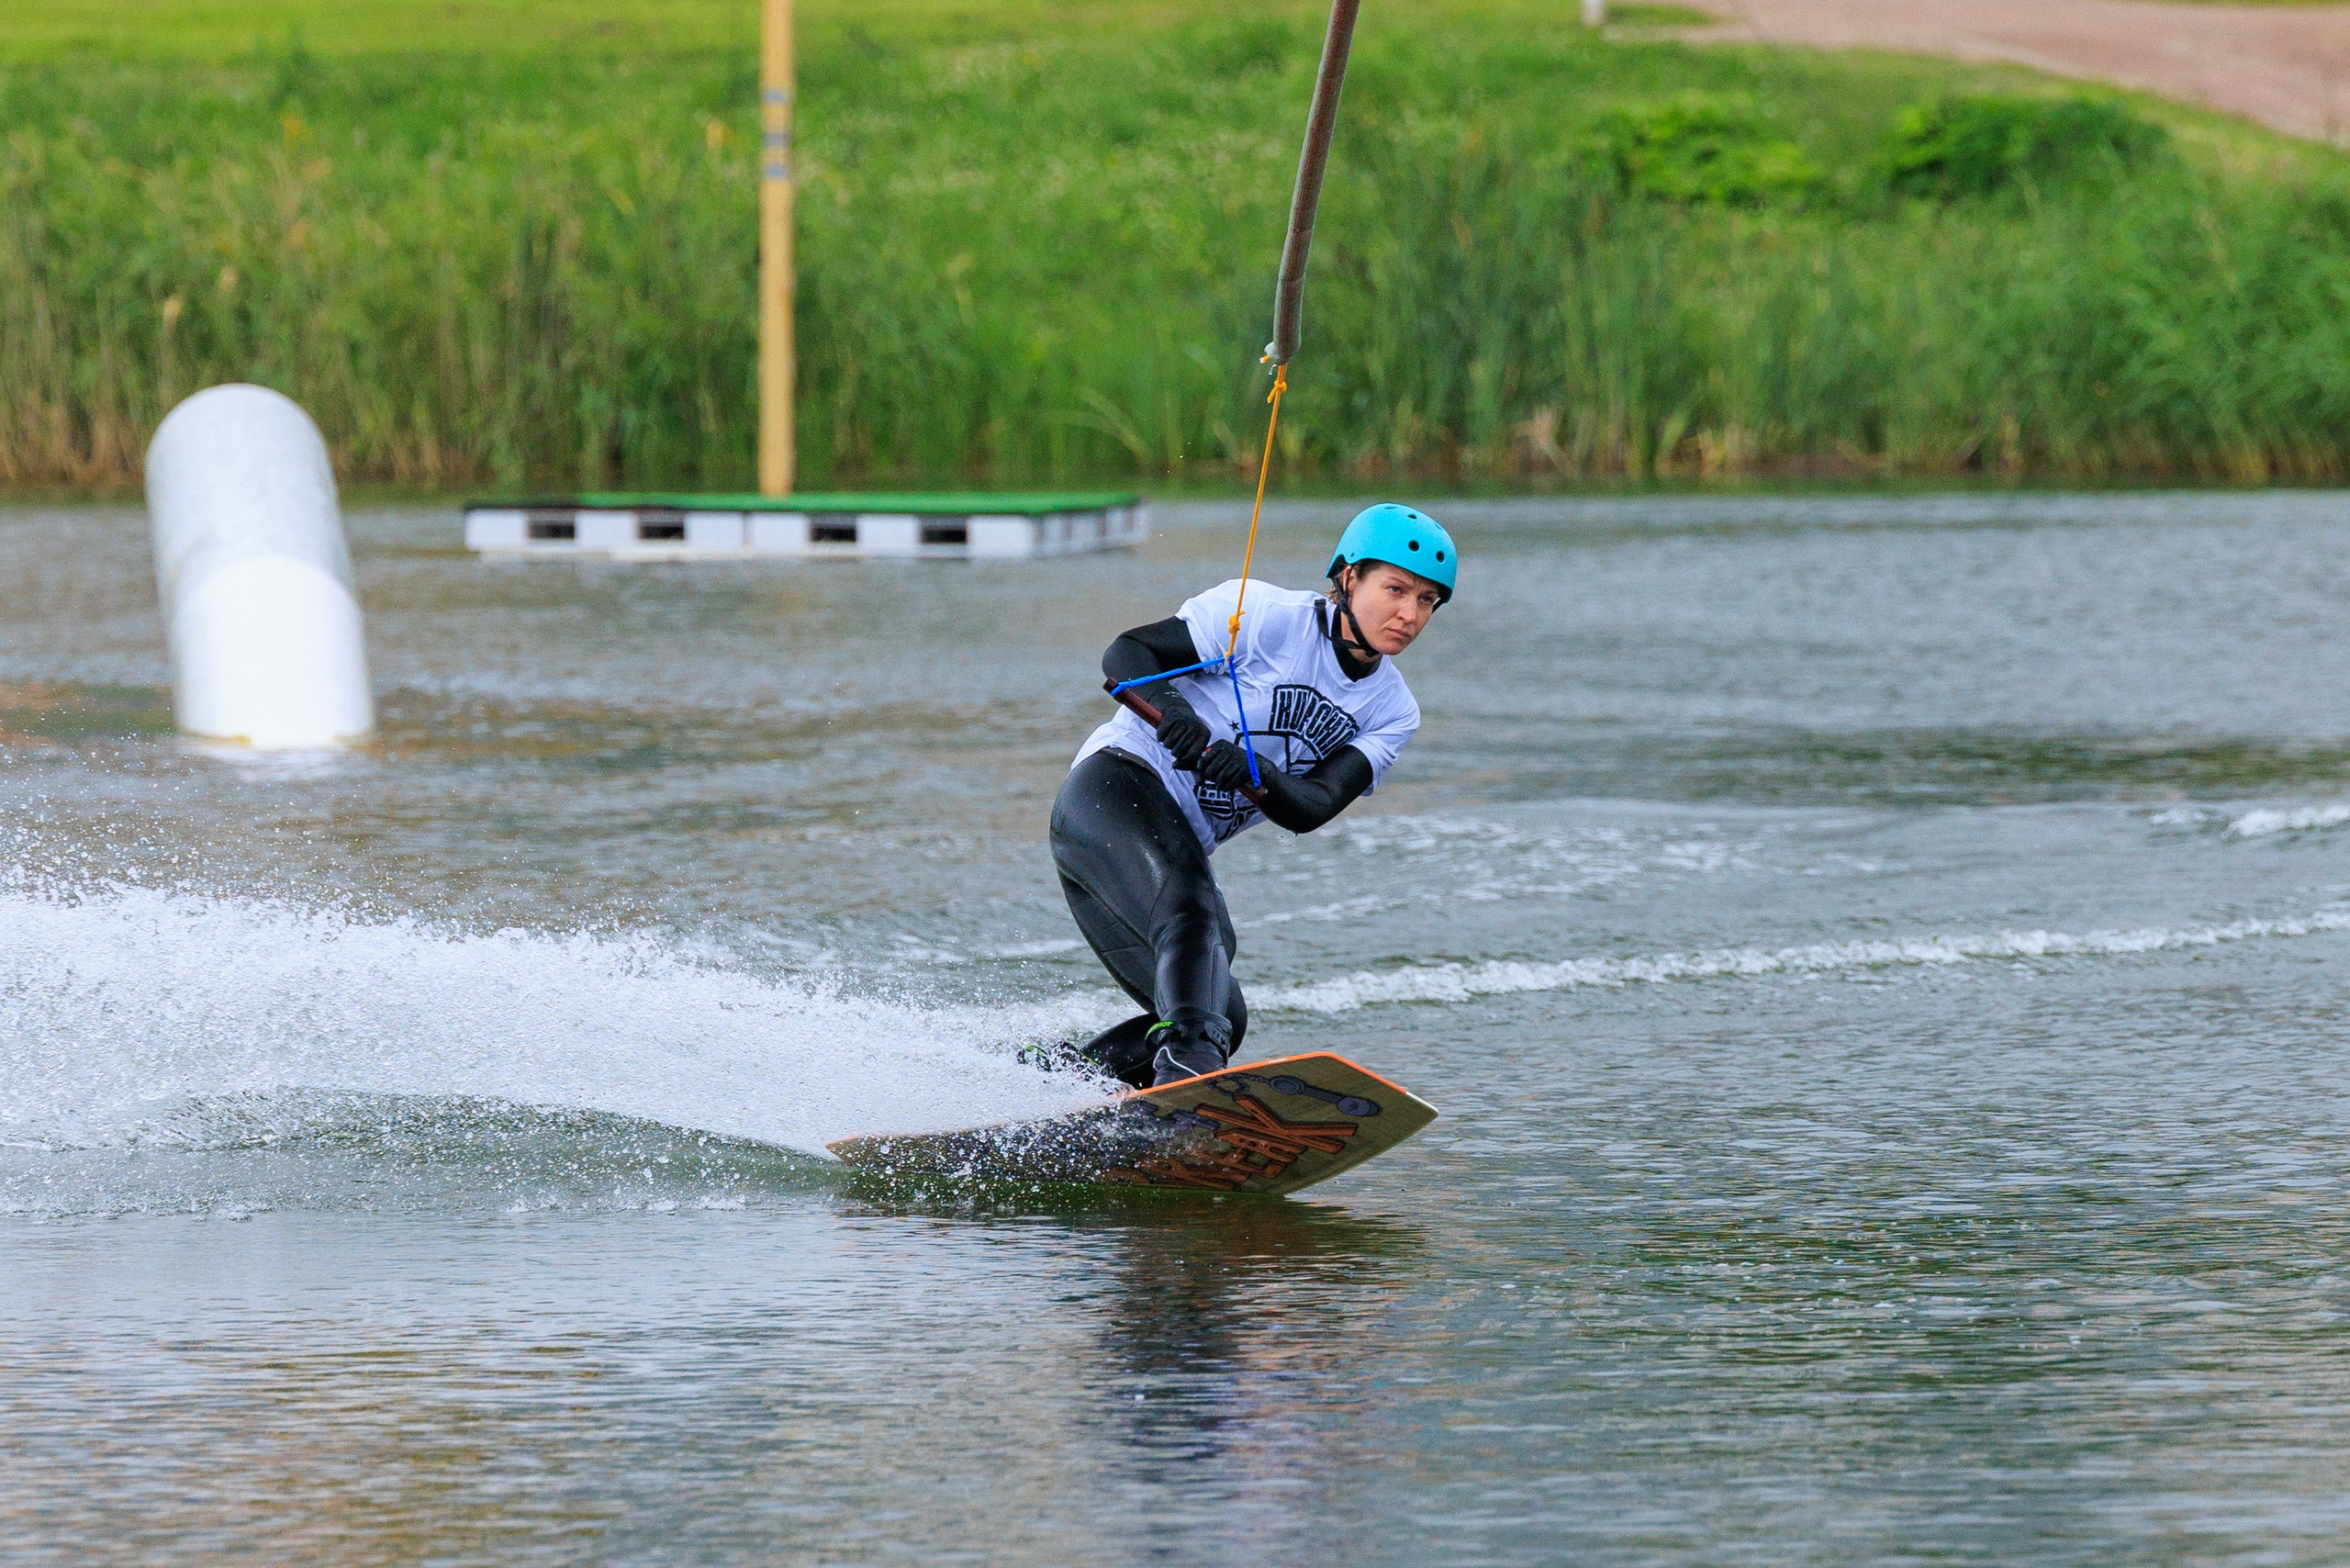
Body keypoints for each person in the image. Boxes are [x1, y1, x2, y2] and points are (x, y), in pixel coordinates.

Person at [1047, 503, 1458, 1089]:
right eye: (1395, 589)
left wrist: (1253, 773)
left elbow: (1313, 806)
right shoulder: (1264, 615)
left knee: (1220, 1013)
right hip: (1113, 789)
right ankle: (1189, 1084)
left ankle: (1053, 1088)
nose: (1409, 614)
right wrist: (1177, 713)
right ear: (1347, 577)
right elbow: (1126, 656)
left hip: (1172, 842)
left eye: (1426, 601)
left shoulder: (1393, 712)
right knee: (1191, 920)